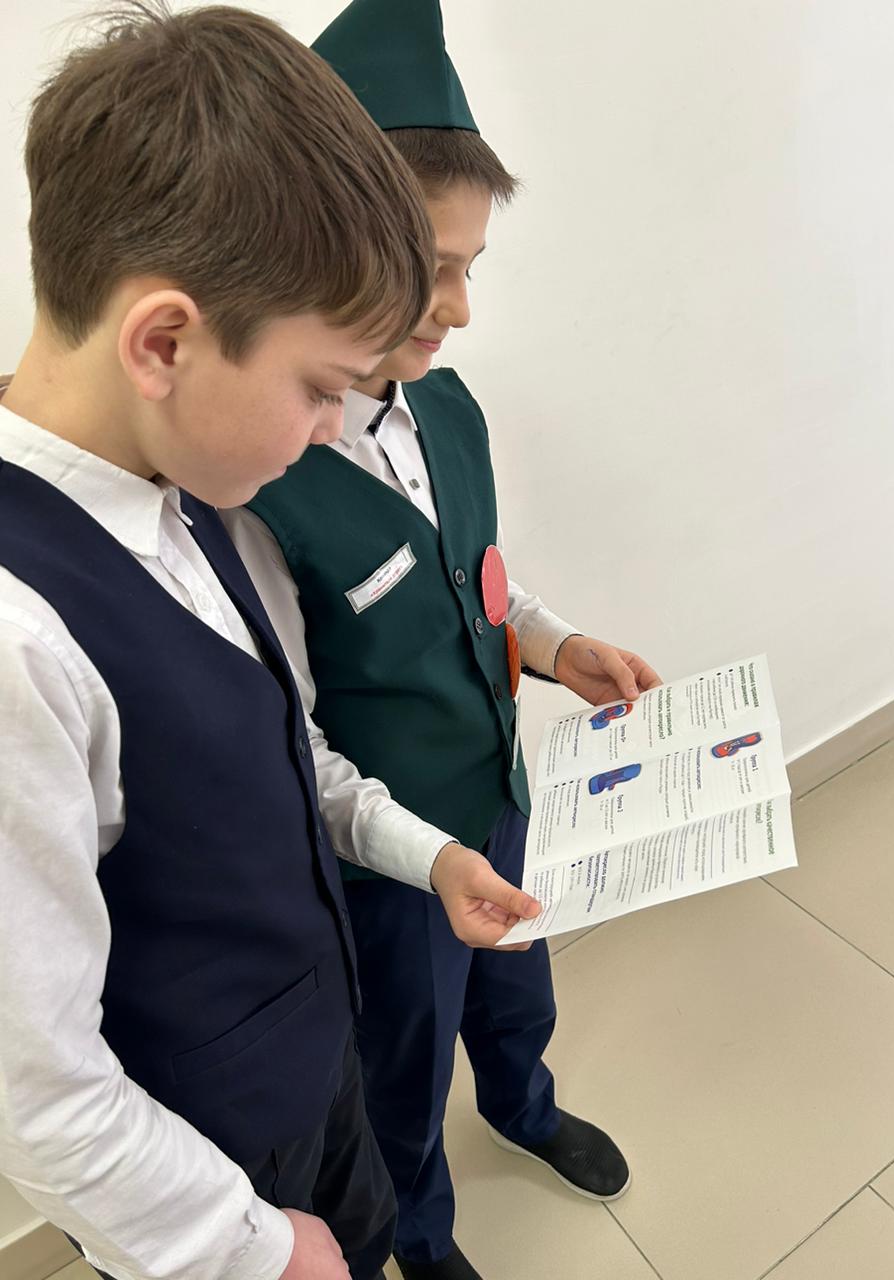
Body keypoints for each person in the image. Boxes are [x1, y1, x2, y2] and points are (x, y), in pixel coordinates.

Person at [0, 5, 453, 1278]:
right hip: (206, 1182)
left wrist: (421, 854)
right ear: (164, 341)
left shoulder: (197, 492)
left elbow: (274, 754)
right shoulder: (19, 643)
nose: (331, 429)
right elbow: (40, 1091)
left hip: (315, 1072)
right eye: (320, 388)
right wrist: (251, 1248)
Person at [224, 4, 662, 1277]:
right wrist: (427, 857)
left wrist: (556, 644)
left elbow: (478, 580)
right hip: (398, 863)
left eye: (473, 265)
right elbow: (289, 738)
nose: (460, 308)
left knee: (521, 985)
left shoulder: (450, 407)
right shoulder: (259, 484)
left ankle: (523, 1102)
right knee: (401, 1069)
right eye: (431, 267)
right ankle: (420, 1230)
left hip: (499, 791)